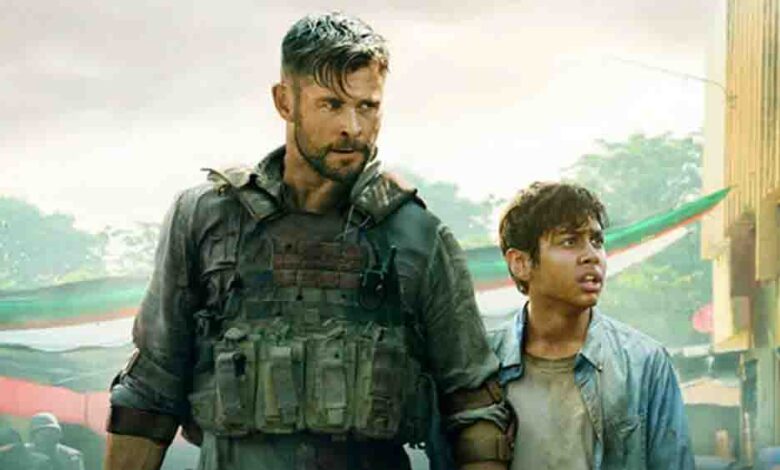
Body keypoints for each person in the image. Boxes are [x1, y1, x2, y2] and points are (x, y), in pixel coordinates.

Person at [104, 12, 512, 470]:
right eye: (331, 105)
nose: (353, 127)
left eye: (367, 106)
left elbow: (474, 407)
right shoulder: (206, 218)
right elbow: (149, 392)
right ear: (285, 101)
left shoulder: (418, 237)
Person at [489, 182, 695, 469]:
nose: (592, 255)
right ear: (520, 263)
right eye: (569, 241)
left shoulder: (644, 363)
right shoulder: (483, 363)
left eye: (596, 241)